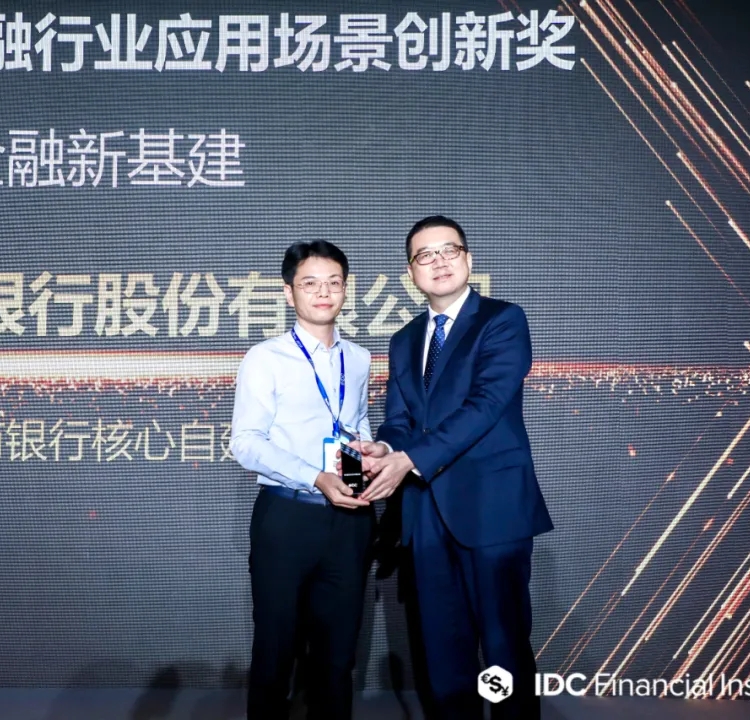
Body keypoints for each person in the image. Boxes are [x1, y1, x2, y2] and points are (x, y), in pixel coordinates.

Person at [354, 216, 554, 719]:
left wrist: (410, 459)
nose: (439, 261)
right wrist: (384, 447)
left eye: (450, 250)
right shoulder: (403, 339)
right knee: (442, 653)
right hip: (424, 514)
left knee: (504, 649)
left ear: (468, 259)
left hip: (492, 510)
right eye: (426, 255)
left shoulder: (502, 320)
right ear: (411, 273)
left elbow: (486, 405)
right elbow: (401, 420)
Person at [230, 240, 376, 720]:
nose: (324, 292)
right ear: (289, 292)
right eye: (310, 283)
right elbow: (245, 443)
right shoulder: (265, 357)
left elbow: (354, 424)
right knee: (276, 653)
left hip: (350, 519)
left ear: (346, 289)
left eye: (334, 283)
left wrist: (372, 453)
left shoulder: (359, 358)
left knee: (337, 658)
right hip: (287, 517)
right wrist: (315, 477)